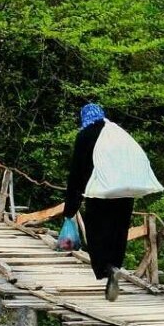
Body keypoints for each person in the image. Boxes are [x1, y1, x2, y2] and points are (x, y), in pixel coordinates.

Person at [63, 103, 136, 301]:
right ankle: (115, 266)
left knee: (97, 233)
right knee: (118, 232)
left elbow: (76, 174)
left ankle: (107, 268)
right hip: (125, 193)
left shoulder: (85, 135)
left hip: (99, 194)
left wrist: (70, 209)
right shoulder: (118, 133)